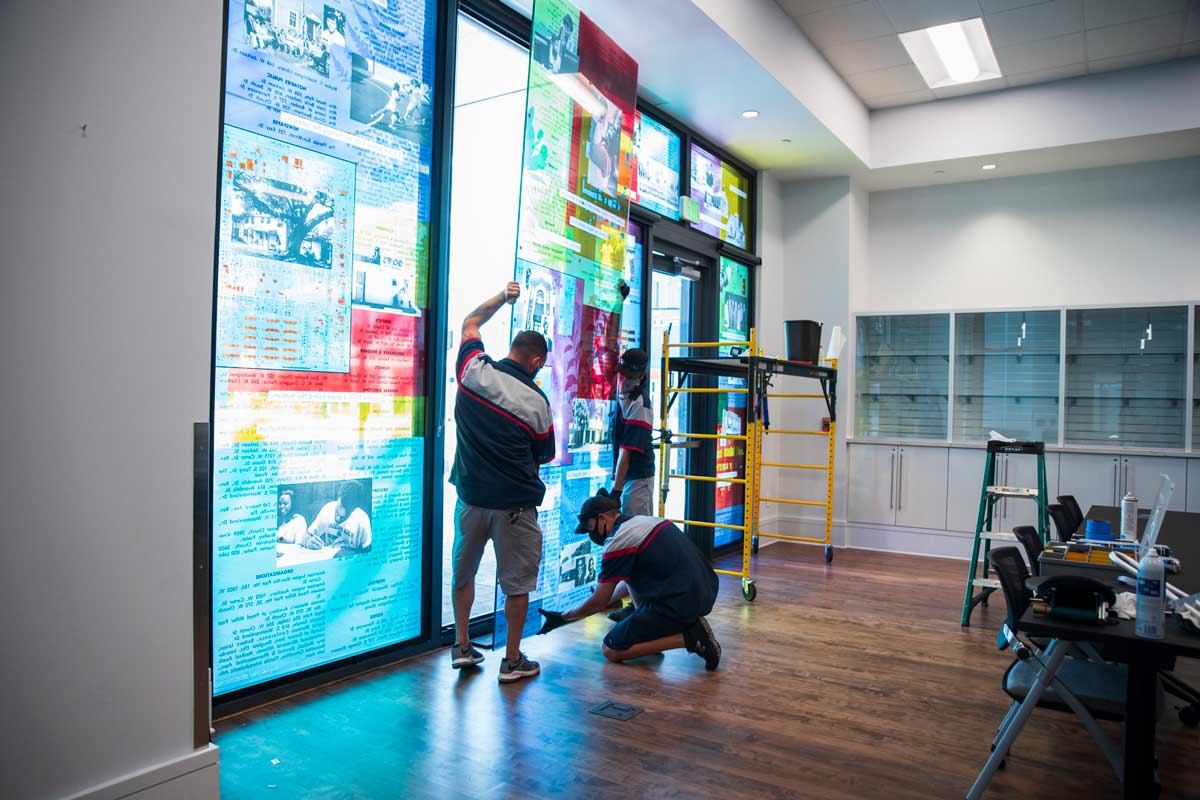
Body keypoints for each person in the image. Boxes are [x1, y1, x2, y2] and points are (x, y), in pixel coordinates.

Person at [450, 282, 555, 683]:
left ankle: (462, 646)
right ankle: (512, 660)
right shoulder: (537, 402)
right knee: (516, 583)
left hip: (471, 499)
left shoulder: (473, 370)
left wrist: (502, 297)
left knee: (464, 573)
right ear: (535, 362)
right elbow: (543, 454)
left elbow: (471, 321)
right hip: (514, 506)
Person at [537, 493, 721, 671]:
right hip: (705, 589)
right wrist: (605, 598)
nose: (590, 535)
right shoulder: (645, 521)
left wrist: (563, 617)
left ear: (602, 518)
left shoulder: (618, 540)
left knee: (611, 649)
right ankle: (659, 635)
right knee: (631, 576)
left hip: (681, 600)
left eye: (590, 527)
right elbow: (623, 584)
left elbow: (599, 601)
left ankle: (691, 637)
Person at [304, 481, 371, 551]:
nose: (338, 519)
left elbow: (368, 550)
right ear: (339, 496)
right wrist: (307, 541)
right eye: (337, 513)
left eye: (345, 516)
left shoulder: (363, 520)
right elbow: (307, 535)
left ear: (355, 508)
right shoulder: (327, 509)